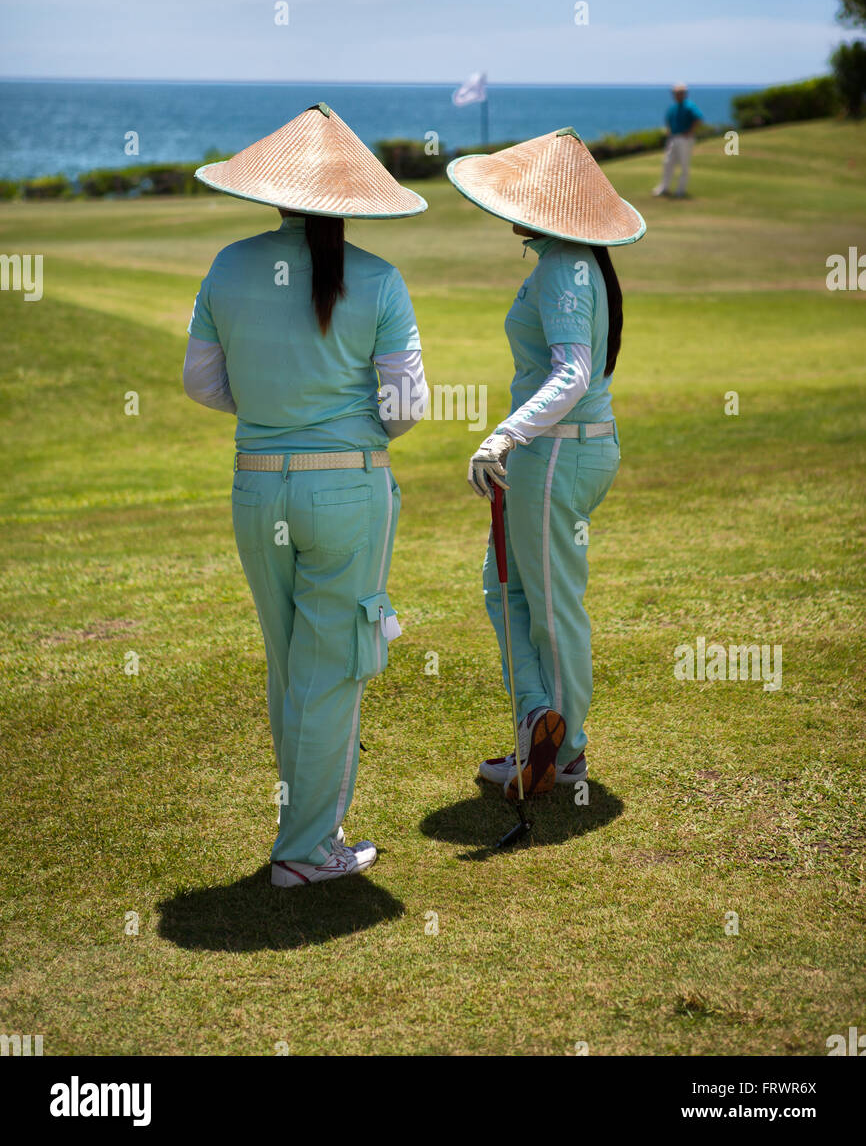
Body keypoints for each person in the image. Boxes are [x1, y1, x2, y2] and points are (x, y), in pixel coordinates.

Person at [184, 103, 428, 886]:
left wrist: (270, 413)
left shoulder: (228, 264)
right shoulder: (382, 280)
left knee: (290, 665)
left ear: (275, 193)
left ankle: (311, 828)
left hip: (256, 488)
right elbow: (403, 412)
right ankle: (305, 849)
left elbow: (203, 382)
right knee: (333, 668)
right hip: (347, 493)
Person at [446, 127, 645, 799]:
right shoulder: (563, 258)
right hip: (552, 451)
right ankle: (541, 728)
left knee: (550, 603)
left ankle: (563, 753)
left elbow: (574, 374)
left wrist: (504, 435)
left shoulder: (565, 264)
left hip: (559, 450)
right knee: (505, 590)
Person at [653, 81, 702, 198]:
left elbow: (698, 119)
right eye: (675, 93)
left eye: (679, 93)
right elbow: (668, 121)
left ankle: (680, 190)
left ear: (684, 94)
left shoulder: (689, 106)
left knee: (684, 165)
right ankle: (664, 187)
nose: (676, 95)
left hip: (685, 139)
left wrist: (690, 132)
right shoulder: (673, 107)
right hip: (673, 138)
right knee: (667, 162)